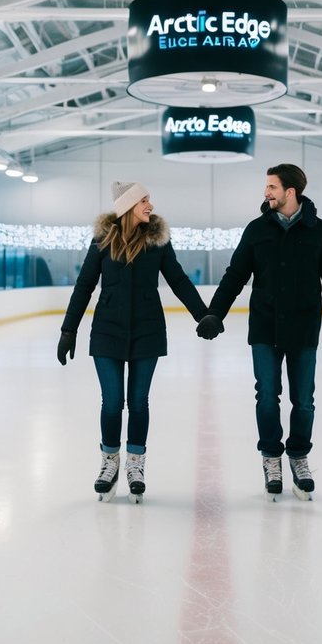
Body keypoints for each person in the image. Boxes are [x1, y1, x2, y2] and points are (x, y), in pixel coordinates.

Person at [196, 163, 322, 501]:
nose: (266, 193)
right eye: (266, 187)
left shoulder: (319, 232)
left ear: (290, 191)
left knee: (304, 401)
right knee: (266, 396)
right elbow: (235, 275)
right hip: (265, 327)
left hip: (304, 327)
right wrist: (214, 313)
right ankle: (271, 458)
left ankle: (298, 457)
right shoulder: (257, 230)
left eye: (272, 187)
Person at [58, 181, 213, 503]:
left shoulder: (157, 242)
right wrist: (68, 330)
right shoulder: (102, 241)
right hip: (107, 331)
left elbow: (179, 280)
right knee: (113, 402)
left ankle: (135, 464)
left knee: (139, 402)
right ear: (128, 205)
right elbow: (85, 285)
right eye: (144, 200)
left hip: (147, 330)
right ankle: (109, 462)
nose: (150, 205)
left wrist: (203, 315)